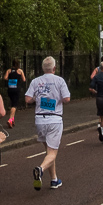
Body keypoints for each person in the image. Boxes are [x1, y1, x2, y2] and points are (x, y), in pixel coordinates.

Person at [25, 56, 71, 190]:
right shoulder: (59, 80)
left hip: (39, 119)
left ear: (43, 68)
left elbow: (27, 99)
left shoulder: (35, 81)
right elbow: (67, 99)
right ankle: (41, 169)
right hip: (54, 119)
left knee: (49, 151)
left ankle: (54, 179)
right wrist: (57, 99)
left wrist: (38, 98)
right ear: (54, 68)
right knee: (52, 153)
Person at [2, 60, 26, 129]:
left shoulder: (9, 71)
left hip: (10, 89)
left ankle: (12, 120)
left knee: (13, 103)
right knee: (14, 105)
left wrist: (11, 78)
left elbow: (5, 78)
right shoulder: (20, 71)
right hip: (16, 89)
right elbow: (24, 79)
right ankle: (10, 119)